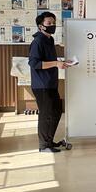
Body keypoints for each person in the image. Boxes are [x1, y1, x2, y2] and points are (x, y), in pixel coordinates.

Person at [28, 12, 72, 153]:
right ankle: (44, 146)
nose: (52, 25)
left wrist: (61, 62)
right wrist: (56, 63)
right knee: (46, 114)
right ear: (41, 26)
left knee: (56, 111)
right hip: (41, 85)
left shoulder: (49, 40)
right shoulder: (38, 41)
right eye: (49, 23)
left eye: (53, 23)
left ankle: (49, 141)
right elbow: (34, 63)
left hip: (50, 83)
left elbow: (49, 60)